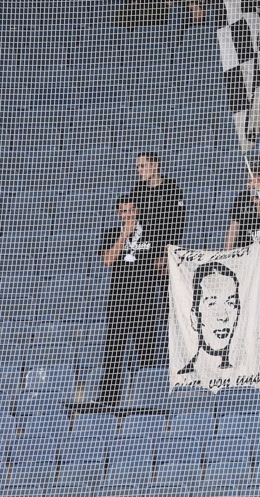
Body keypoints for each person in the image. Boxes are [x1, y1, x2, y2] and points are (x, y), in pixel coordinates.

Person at [96, 195, 160, 406]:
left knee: (147, 351)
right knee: (113, 351)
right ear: (118, 214)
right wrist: (124, 235)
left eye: (131, 210)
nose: (128, 214)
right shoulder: (112, 234)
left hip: (145, 301)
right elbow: (108, 260)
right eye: (124, 211)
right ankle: (108, 400)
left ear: (138, 210)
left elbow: (160, 264)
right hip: (119, 302)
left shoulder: (152, 233)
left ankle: (149, 399)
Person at [127, 152, 186, 273]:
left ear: (155, 166)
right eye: (137, 167)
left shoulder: (171, 188)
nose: (139, 170)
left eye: (142, 166)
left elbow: (178, 223)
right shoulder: (137, 190)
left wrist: (166, 254)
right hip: (142, 249)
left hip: (162, 248)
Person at [179, 262, 241, 375]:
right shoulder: (184, 377)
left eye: (230, 303)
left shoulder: (247, 371)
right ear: (195, 317)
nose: (223, 317)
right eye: (212, 304)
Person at [224, 157, 260, 250]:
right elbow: (234, 226)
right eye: (252, 174)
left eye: (258, 174)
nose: (254, 177)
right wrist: (226, 252)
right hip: (245, 248)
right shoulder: (242, 197)